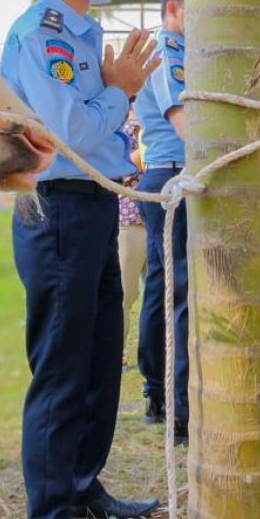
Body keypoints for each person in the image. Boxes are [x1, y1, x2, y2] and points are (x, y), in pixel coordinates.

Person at [0, 0, 160, 519]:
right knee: (63, 366)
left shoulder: (85, 36)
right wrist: (119, 88)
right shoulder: (41, 33)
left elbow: (96, 129)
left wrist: (113, 87)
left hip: (95, 202)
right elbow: (71, 131)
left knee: (99, 358)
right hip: (58, 210)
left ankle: (81, 483)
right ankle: (51, 511)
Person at [133, 0, 191, 441]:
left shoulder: (182, 49)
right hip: (173, 174)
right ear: (174, 8)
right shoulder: (169, 51)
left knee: (164, 287)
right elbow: (188, 123)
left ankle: (159, 391)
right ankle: (175, 401)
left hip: (171, 174)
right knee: (178, 290)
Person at [119, 111, 147, 365]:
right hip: (129, 219)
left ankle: (157, 352)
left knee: (159, 292)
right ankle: (117, 352)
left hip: (157, 216)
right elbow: (121, 167)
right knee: (125, 293)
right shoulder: (122, 128)